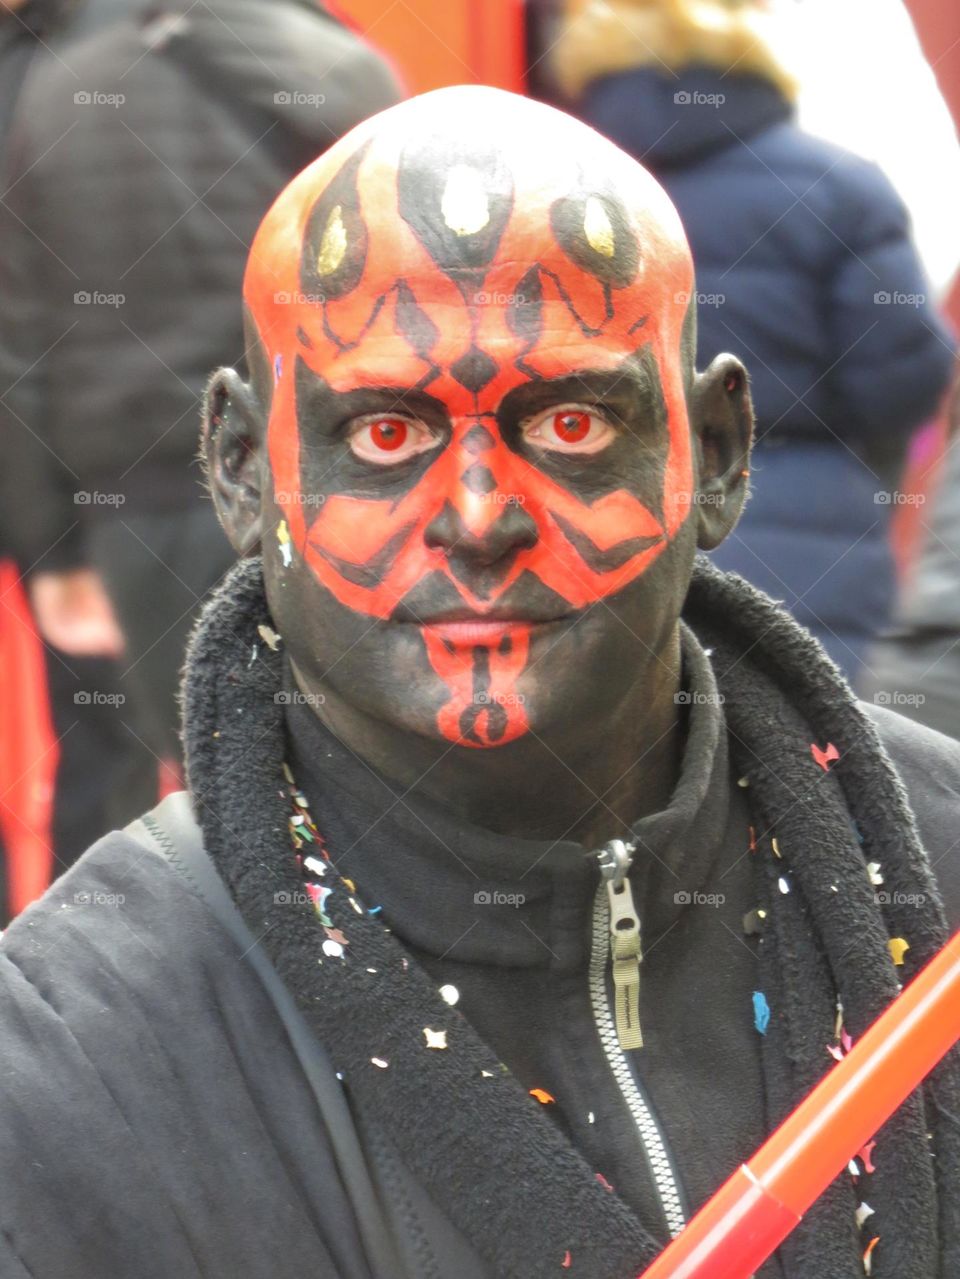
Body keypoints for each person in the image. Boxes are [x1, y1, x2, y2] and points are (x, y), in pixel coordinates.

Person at [1, 87, 959, 1278]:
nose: (478, 517)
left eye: (567, 421)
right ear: (245, 471)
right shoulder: (74, 1061)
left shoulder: (939, 872)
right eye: (386, 434)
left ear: (713, 454)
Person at [0, 0, 400, 826]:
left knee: (181, 793)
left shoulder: (54, 85)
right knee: (358, 790)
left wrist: (52, 551)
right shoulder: (328, 60)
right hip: (322, 483)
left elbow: (22, 343)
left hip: (138, 508)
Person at [544, 0, 956, 683]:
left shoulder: (553, 200)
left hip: (612, 537)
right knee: (819, 759)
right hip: (816, 550)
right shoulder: (838, 188)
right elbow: (902, 382)